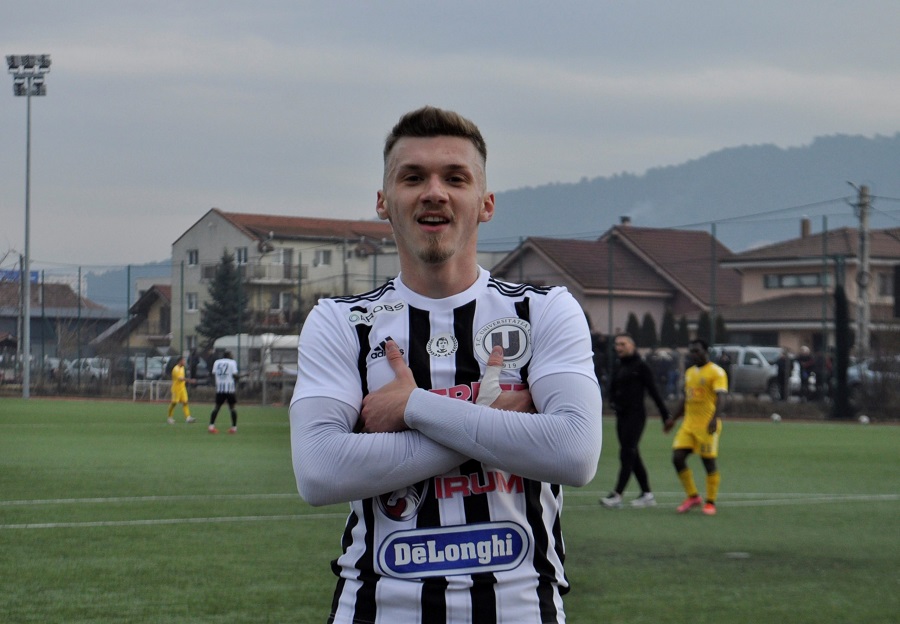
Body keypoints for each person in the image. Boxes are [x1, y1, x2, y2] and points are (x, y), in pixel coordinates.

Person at [289, 106, 603, 623]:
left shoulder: (545, 310)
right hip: (377, 610)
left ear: (485, 204)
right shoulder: (342, 321)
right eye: (412, 177)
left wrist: (413, 406)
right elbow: (320, 472)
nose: (434, 192)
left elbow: (574, 453)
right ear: (383, 201)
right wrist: (490, 420)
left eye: (455, 178)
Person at [600, 333, 670, 508]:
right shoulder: (619, 365)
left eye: (623, 344)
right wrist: (612, 401)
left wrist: (665, 415)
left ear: (632, 346)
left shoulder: (641, 366)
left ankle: (617, 494)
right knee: (633, 455)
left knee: (627, 453)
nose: (619, 347)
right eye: (617, 344)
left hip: (636, 416)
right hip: (621, 416)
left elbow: (654, 391)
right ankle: (647, 494)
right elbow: (612, 388)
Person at [663, 339, 727, 516]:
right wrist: (673, 419)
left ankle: (710, 502)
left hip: (707, 425)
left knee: (708, 462)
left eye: (697, 351)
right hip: (688, 425)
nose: (693, 354)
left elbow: (721, 397)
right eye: (691, 351)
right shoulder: (690, 372)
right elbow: (686, 398)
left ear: (706, 351)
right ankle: (693, 496)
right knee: (677, 458)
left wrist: (715, 418)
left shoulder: (716, 372)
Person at [210, 350, 239, 434]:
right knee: (232, 408)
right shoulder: (232, 362)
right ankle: (234, 428)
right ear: (229, 355)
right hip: (229, 389)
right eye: (232, 355)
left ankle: (211, 427)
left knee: (217, 407)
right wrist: (238, 378)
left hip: (220, 388)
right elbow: (234, 375)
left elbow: (213, 374)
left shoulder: (217, 362)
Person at [167, 356, 196, 424]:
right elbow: (180, 379)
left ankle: (188, 418)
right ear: (180, 361)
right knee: (174, 403)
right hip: (176, 389)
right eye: (183, 361)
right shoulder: (175, 369)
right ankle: (170, 418)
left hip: (182, 388)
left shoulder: (182, 368)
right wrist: (190, 380)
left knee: (185, 402)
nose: (184, 362)